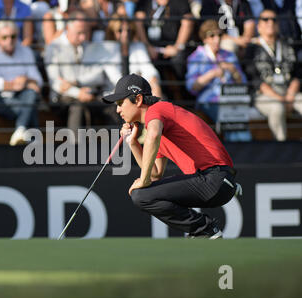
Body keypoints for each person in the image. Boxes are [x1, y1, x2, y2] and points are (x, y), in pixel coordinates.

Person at [102, 74, 242, 239]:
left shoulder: (158, 110)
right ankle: (203, 230)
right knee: (144, 194)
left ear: (138, 99)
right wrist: (132, 143)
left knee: (141, 195)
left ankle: (205, 228)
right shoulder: (156, 126)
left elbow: (152, 141)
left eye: (120, 103)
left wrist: (143, 179)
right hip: (215, 181)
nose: (118, 110)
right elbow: (155, 174)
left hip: (215, 178)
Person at [44, 10, 121, 138]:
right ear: (67, 28)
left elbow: (98, 74)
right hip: (61, 99)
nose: (83, 37)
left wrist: (76, 83)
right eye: (79, 33)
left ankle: (117, 150)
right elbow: (56, 84)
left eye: (86, 32)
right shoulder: (54, 48)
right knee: (78, 107)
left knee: (112, 107)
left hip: (88, 93)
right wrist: (77, 92)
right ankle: (74, 152)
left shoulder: (87, 45)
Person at [186, 19, 251, 142]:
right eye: (212, 35)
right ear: (205, 38)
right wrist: (212, 74)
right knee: (231, 118)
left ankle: (245, 151)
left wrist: (234, 71)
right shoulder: (196, 57)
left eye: (219, 35)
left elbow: (243, 82)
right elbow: (192, 87)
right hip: (210, 101)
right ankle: (238, 153)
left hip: (232, 99)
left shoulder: (229, 55)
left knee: (238, 120)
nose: (217, 39)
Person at [0, 20, 43, 146]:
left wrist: (25, 80)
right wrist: (16, 84)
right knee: (29, 107)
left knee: (30, 94)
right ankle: (34, 144)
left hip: (22, 95)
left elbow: (38, 80)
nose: (9, 40)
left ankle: (20, 131)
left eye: (13, 36)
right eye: (5, 37)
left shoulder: (25, 51)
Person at [245, 9, 302, 141]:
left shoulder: (288, 44)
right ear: (258, 26)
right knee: (277, 107)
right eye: (265, 19)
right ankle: (281, 147)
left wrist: (290, 95)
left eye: (274, 20)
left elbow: (298, 74)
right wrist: (280, 99)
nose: (270, 22)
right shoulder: (252, 48)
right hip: (265, 95)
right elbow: (255, 80)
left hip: (289, 92)